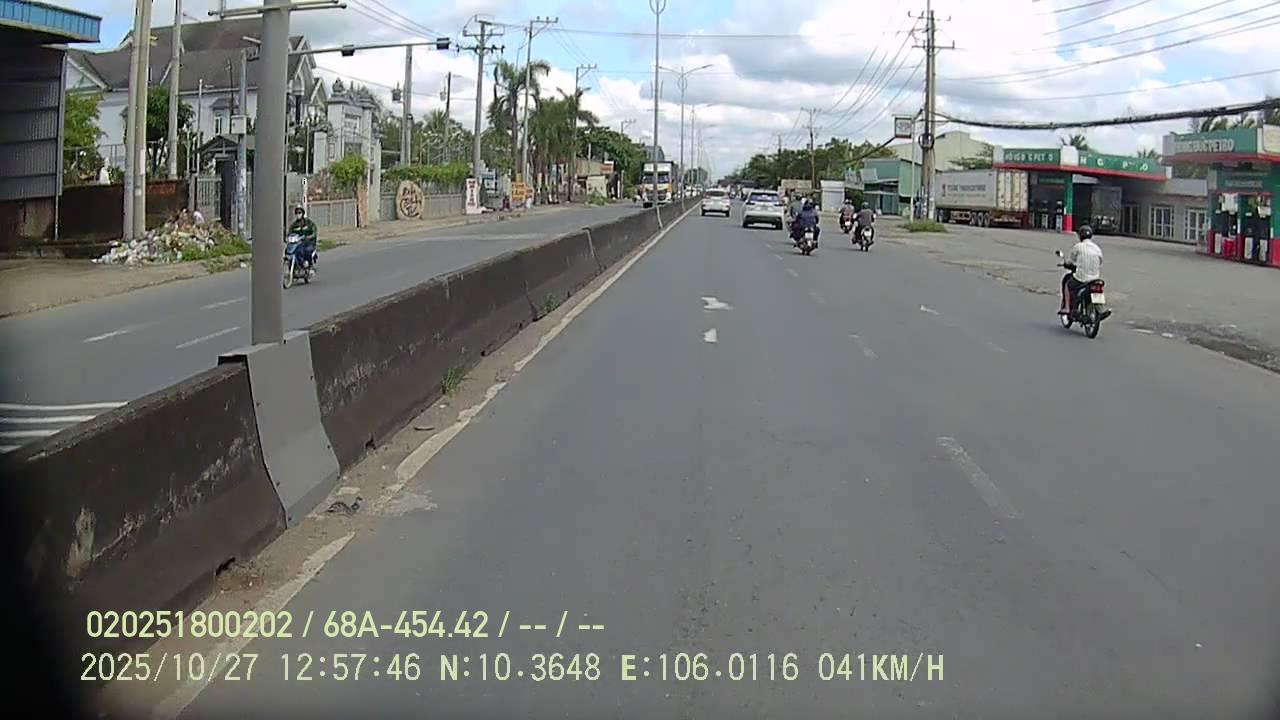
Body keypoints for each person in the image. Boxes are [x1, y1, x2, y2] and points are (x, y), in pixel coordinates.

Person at [1060, 224, 1103, 315]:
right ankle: (1098, 309)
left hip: (1081, 278)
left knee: (1068, 285)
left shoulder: (1078, 246)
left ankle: (1067, 308)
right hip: (1095, 278)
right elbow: (1100, 261)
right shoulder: (1097, 248)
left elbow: (1071, 261)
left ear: (1080, 236)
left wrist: (1066, 263)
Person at [288, 204, 319, 269]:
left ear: (302, 213)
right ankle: (297, 266)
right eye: (296, 213)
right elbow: (290, 233)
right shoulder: (294, 225)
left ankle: (309, 265)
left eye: (299, 212)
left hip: (309, 243)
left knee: (307, 250)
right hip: (299, 243)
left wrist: (309, 237)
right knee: (297, 251)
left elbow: (314, 232)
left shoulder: (309, 223)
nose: (298, 214)